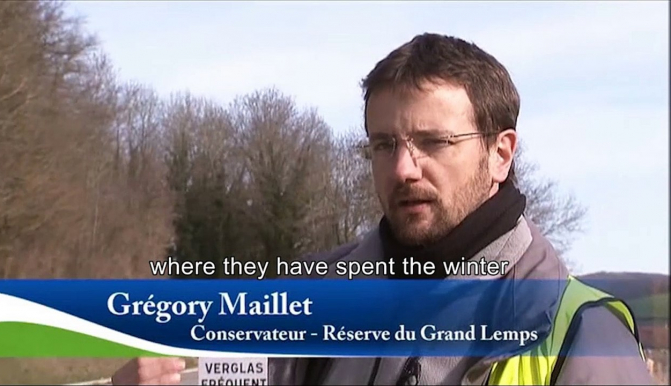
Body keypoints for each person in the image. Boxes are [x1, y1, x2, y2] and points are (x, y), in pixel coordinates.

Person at [111, 33, 656, 385]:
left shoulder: (584, 337)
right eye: (384, 145)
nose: (402, 169)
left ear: (500, 153)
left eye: (434, 142)